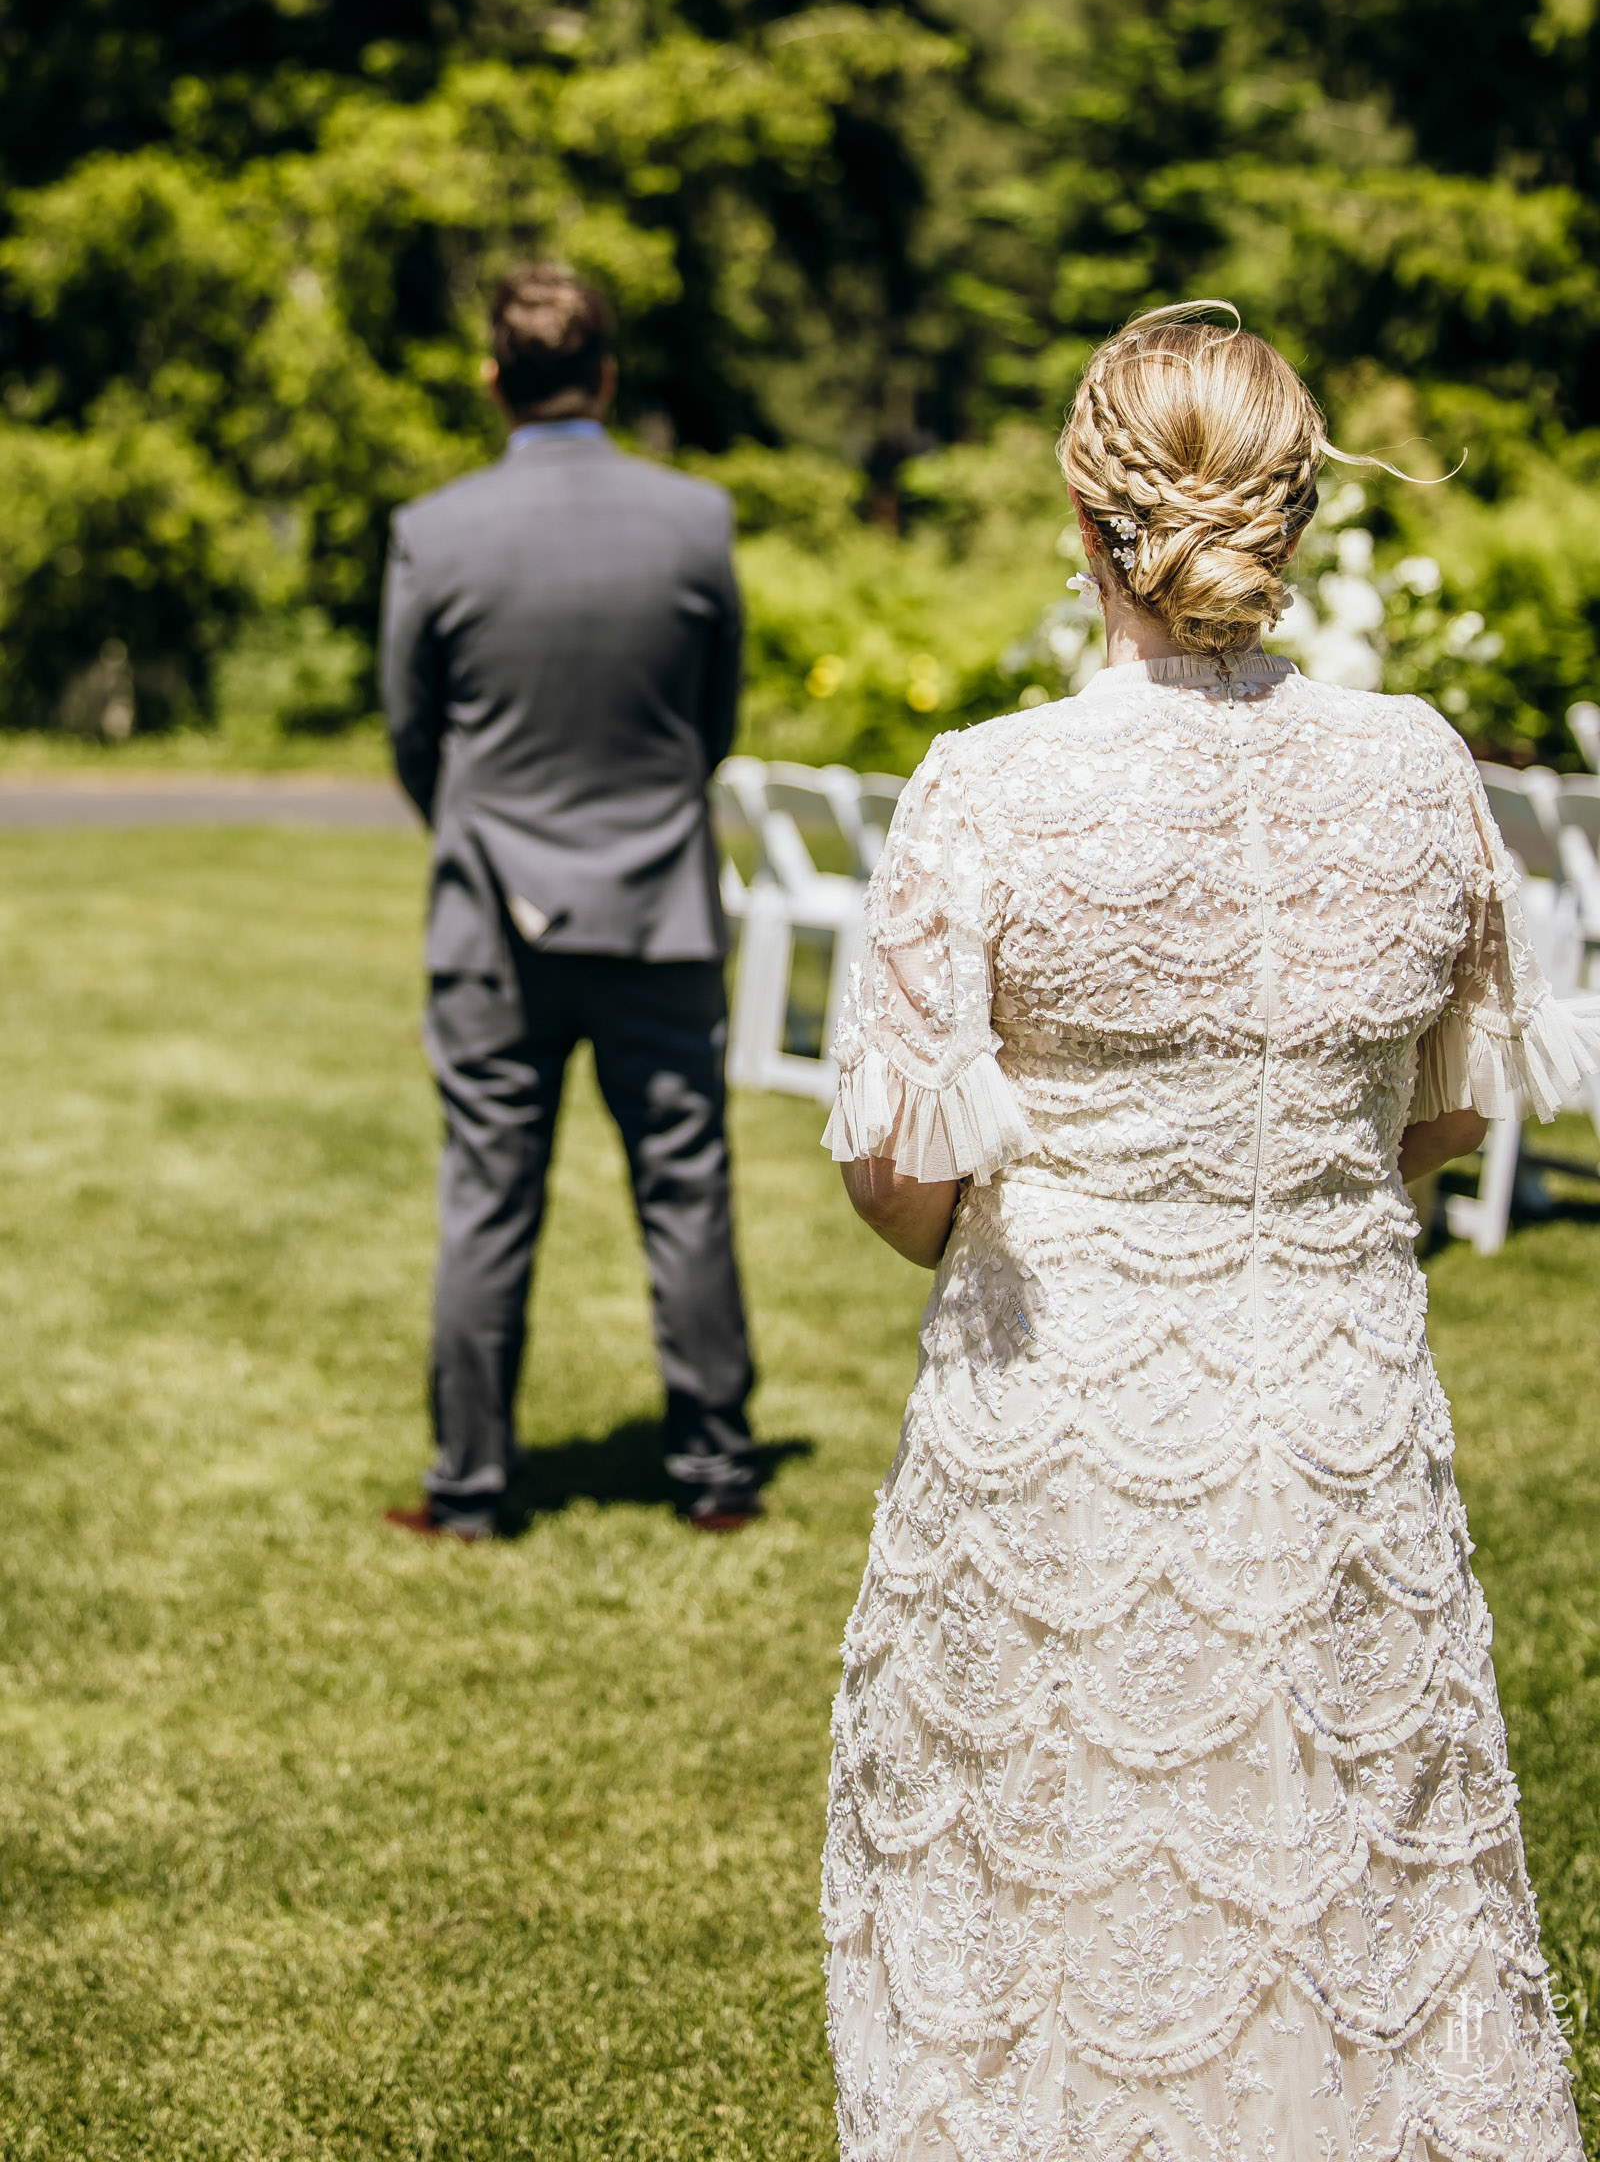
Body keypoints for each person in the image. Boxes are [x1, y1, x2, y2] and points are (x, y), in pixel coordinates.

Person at [821, 306, 1598, 2159]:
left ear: (1087, 517)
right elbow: (1447, 1116)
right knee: (1357, 1900)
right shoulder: (1425, 772)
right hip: (1336, 1419)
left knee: (1053, 1901)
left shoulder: (990, 786)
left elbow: (900, 1181)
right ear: (1298, 515)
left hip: (1066, 1429)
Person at [380, 261, 759, 1539]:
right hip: (660, 914)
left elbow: (410, 735)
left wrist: (489, 837)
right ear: (605, 376)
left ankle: (472, 1486)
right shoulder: (694, 520)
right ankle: (714, 1470)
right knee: (686, 1184)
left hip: (493, 926)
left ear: (495, 381)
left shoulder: (435, 531)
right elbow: (713, 723)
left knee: (487, 1194)